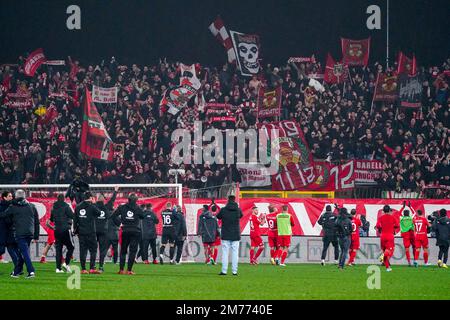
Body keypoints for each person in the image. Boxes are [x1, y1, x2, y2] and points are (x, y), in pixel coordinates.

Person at [0, 190, 40, 278]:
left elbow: (3, 215)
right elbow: (37, 222)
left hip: (19, 233)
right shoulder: (32, 206)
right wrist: (36, 235)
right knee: (24, 252)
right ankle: (16, 272)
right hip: (30, 233)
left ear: (16, 197)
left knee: (24, 253)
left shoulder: (13, 207)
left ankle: (31, 271)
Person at [112, 193, 145, 274]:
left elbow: (113, 216)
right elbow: (143, 216)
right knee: (133, 251)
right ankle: (129, 270)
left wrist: (119, 224)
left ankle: (121, 270)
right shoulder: (138, 208)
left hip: (125, 230)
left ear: (128, 199)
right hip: (135, 231)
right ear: (136, 200)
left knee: (123, 250)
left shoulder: (122, 207)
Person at [73, 191, 102, 274]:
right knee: (93, 250)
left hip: (81, 232)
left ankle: (83, 269)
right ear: (91, 198)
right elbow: (99, 213)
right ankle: (92, 268)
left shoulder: (78, 207)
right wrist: (94, 204)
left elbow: (75, 220)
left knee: (83, 250)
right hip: (91, 232)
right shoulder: (92, 206)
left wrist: (75, 231)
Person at [48, 193, 75, 273]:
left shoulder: (53, 208)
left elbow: (51, 219)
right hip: (66, 229)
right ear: (64, 199)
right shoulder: (66, 207)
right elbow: (72, 216)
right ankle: (66, 263)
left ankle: (58, 268)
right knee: (71, 247)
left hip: (57, 230)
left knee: (58, 249)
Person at [217, 195, 243, 275]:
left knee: (225, 253)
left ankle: (224, 271)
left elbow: (218, 216)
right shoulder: (238, 210)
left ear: (228, 200)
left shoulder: (223, 210)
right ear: (234, 200)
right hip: (235, 234)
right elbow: (241, 215)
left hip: (226, 233)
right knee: (235, 253)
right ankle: (234, 271)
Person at [94, 188, 117, 272]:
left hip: (94, 230)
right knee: (102, 249)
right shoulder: (106, 207)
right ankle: (100, 267)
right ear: (103, 200)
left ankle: (92, 267)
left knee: (93, 248)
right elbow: (112, 200)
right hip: (103, 230)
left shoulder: (93, 206)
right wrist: (115, 191)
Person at [376, 205, 399, 272]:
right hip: (390, 236)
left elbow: (377, 226)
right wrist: (393, 227)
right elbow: (397, 225)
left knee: (385, 250)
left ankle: (388, 268)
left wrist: (381, 228)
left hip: (382, 236)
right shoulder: (392, 217)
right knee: (389, 251)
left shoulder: (381, 218)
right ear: (389, 210)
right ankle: (382, 256)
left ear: (383, 211)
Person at [0, 191, 18, 268]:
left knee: (11, 249)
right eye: (10, 196)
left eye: (11, 196)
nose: (12, 197)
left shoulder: (12, 206)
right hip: (2, 232)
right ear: (4, 197)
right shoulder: (4, 206)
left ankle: (18, 267)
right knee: (3, 250)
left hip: (9, 232)